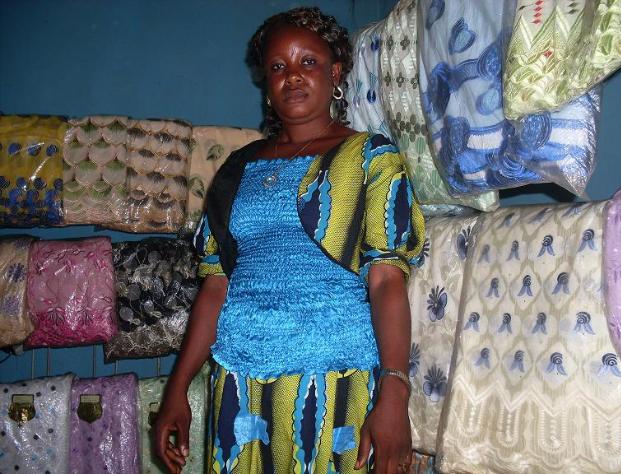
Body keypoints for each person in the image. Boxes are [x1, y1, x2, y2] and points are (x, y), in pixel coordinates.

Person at [152, 7, 425, 474]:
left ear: (335, 72)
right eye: (278, 66)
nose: (292, 76)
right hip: (239, 384)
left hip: (337, 383)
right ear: (266, 81)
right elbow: (216, 286)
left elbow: (386, 282)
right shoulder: (237, 168)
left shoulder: (371, 158)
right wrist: (176, 388)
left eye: (308, 62)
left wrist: (394, 393)